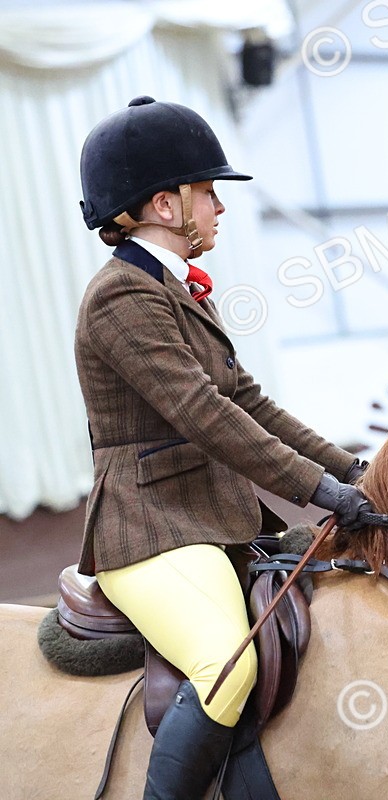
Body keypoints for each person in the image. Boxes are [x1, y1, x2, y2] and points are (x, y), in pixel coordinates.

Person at [76, 96, 372, 799]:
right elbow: (203, 414)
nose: (219, 206)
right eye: (208, 191)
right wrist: (317, 490)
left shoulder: (179, 295)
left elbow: (249, 402)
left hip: (207, 517)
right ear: (164, 205)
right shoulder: (120, 299)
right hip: (148, 530)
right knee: (227, 663)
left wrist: (355, 470)